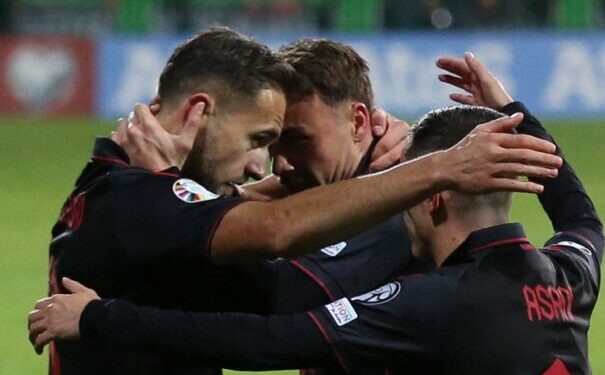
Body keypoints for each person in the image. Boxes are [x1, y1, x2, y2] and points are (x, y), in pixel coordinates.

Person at [37, 23, 561, 375]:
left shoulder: (108, 183)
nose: (271, 167)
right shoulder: (147, 202)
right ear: (198, 112)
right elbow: (273, 251)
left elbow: (238, 221)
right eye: (263, 141)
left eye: (293, 141)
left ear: (358, 122)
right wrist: (434, 168)